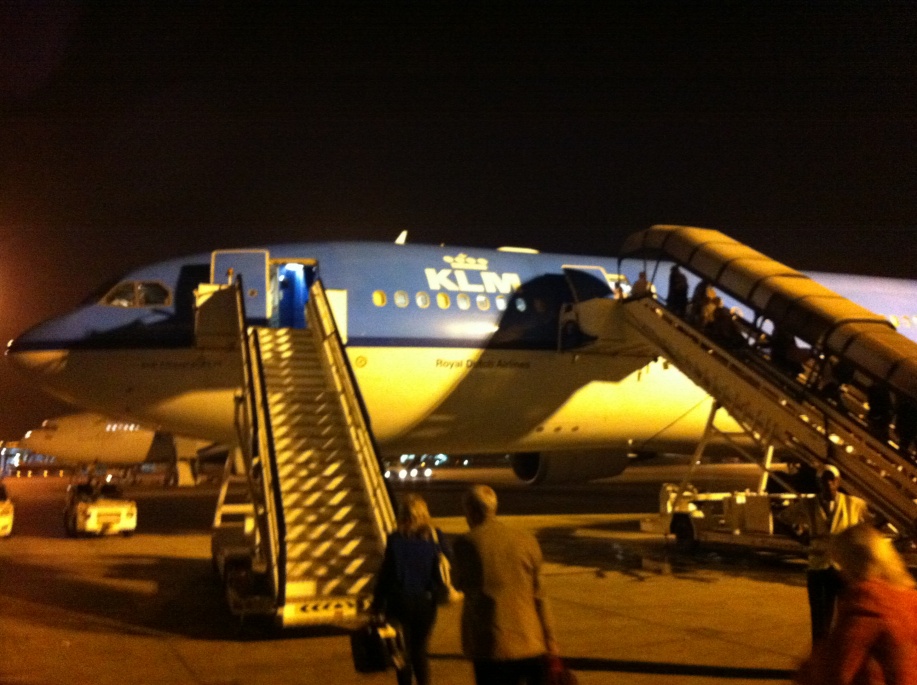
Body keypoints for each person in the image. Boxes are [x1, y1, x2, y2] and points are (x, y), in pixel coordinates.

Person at [452, 484, 558, 685]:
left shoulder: (465, 544)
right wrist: (550, 640)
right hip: (530, 641)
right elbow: (540, 596)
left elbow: (456, 584)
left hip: (491, 645)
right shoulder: (526, 540)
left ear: (471, 510)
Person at [794, 523, 917, 685]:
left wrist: (807, 671)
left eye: (841, 563)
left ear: (852, 564)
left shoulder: (867, 605)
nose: (840, 572)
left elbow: (836, 672)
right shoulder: (909, 597)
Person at [780, 465, 871, 643]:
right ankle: (820, 652)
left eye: (831, 479)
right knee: (820, 619)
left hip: (843, 568)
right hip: (818, 566)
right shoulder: (808, 505)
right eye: (824, 480)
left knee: (847, 617)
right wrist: (800, 538)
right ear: (818, 482)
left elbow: (867, 528)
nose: (828, 483)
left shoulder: (854, 504)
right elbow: (782, 519)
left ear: (838, 481)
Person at [372, 494, 452, 685]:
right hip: (426, 602)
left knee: (402, 651)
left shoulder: (395, 540)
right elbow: (449, 559)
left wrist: (377, 605)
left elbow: (386, 576)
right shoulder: (435, 536)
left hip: (400, 603)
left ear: (402, 515)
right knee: (420, 650)